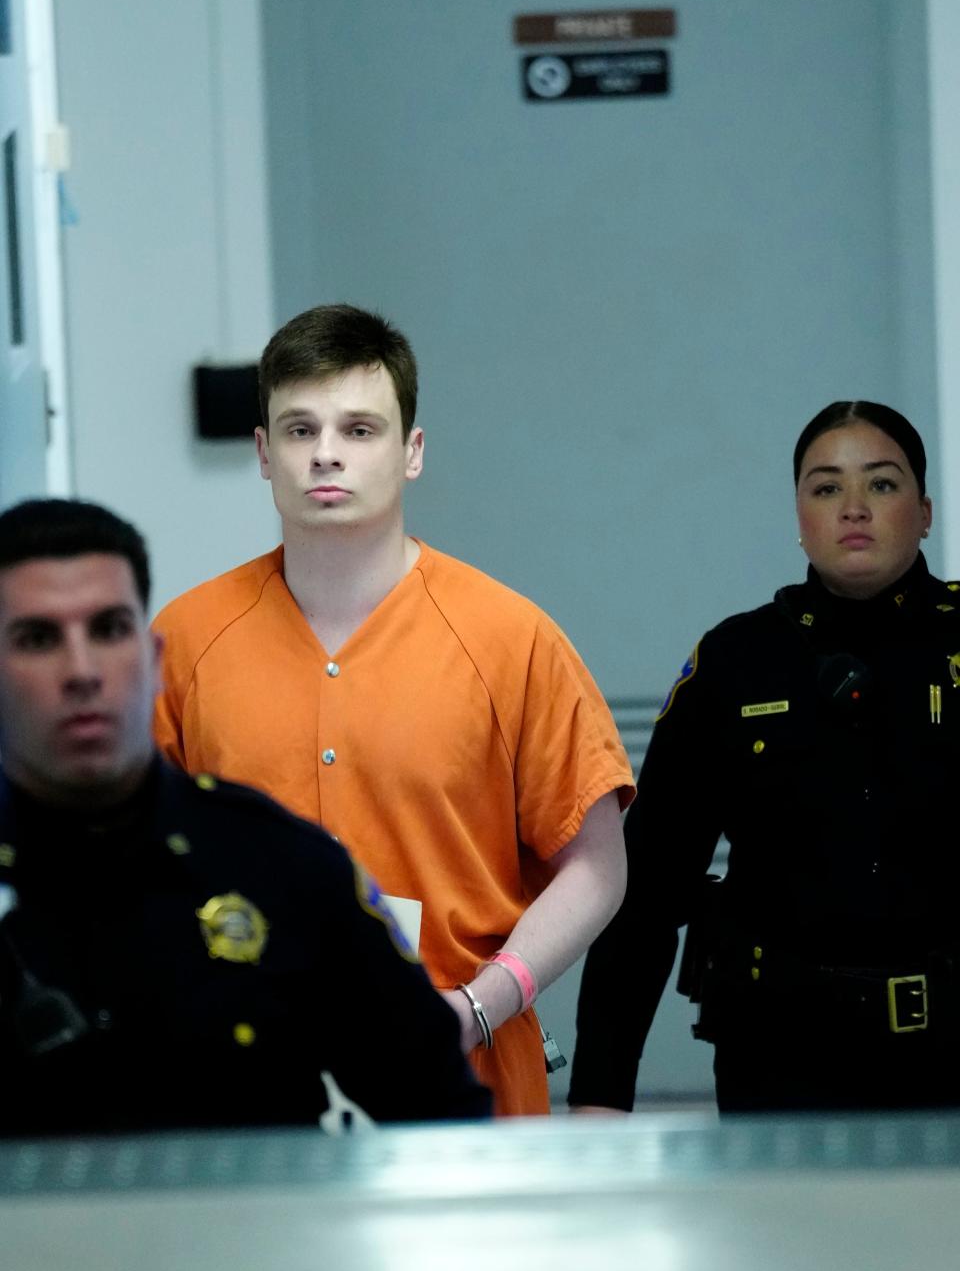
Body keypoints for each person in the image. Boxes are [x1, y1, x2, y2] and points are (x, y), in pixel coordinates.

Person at [153, 303, 634, 1115]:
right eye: (299, 431)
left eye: (360, 429)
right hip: (243, 1083)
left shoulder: (509, 639)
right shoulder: (184, 641)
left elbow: (597, 866)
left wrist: (486, 1003)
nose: (326, 455)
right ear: (263, 454)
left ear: (411, 452)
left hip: (467, 1063)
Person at [0, 497, 490, 1135]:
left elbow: (442, 1118)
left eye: (109, 629)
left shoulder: (281, 867)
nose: (83, 671)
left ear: (152, 661)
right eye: (38, 639)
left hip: (257, 1233)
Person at [569, 400, 960, 1113]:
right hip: (781, 1058)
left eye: (882, 483)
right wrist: (600, 1094)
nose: (853, 508)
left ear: (926, 511)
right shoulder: (737, 661)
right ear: (799, 517)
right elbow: (646, 893)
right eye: (825, 487)